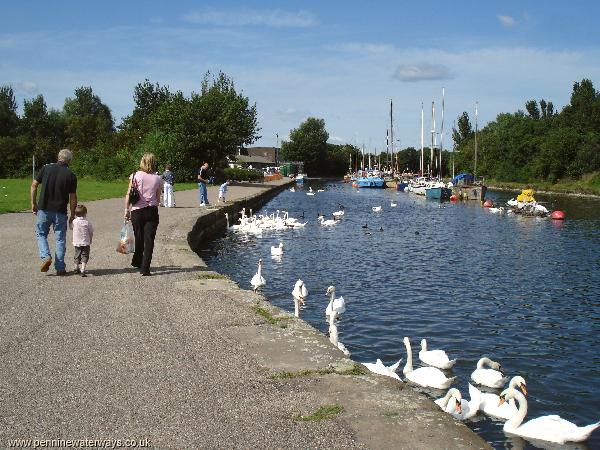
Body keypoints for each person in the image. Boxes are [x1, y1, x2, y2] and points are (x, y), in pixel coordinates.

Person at [30, 148, 77, 276]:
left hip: (44, 209)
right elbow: (73, 197)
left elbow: (34, 185)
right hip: (60, 212)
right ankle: (60, 267)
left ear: (58, 157)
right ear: (69, 161)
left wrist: (33, 203)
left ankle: (45, 256)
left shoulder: (46, 168)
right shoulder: (71, 175)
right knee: (60, 239)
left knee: (41, 234)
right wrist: (72, 214)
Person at [124, 153, 163, 276]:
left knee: (139, 237)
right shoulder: (158, 178)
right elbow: (158, 198)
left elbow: (129, 194)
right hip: (151, 210)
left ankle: (137, 261)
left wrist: (126, 209)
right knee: (149, 240)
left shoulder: (135, 175)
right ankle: (145, 268)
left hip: (137, 210)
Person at [72, 204, 93, 277]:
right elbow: (91, 232)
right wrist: (90, 239)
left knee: (77, 255)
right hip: (85, 242)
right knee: (85, 255)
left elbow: (71, 227)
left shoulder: (74, 221)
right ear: (85, 214)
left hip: (77, 242)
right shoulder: (87, 222)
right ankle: (83, 269)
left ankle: (76, 268)